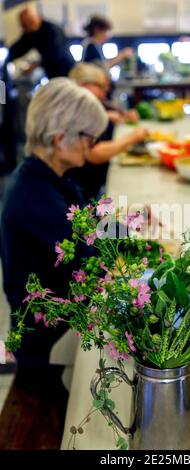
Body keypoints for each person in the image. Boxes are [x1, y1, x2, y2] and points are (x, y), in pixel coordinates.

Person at [0, 78, 108, 369]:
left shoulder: (46, 176)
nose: (92, 146)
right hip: (47, 348)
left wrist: (126, 224)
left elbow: (87, 226)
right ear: (60, 138)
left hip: (59, 330)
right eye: (89, 137)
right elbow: (92, 258)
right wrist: (128, 232)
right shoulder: (35, 196)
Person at [68, 62, 148, 201]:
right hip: (83, 193)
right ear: (82, 85)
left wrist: (121, 116)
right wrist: (131, 138)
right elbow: (93, 153)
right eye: (101, 87)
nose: (104, 94)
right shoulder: (77, 111)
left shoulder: (91, 106)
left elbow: (110, 112)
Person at [6, 6, 75, 78]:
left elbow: (54, 55)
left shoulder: (52, 31)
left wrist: (32, 67)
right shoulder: (32, 32)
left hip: (66, 71)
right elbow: (19, 48)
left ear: (32, 21)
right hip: (51, 73)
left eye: (24, 25)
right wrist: (6, 56)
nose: (23, 29)